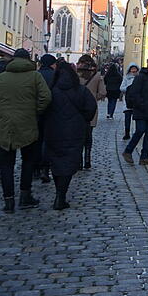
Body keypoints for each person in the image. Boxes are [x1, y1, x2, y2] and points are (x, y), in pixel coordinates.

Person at [0, 48, 51, 212]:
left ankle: (8, 201)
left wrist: (0, 114)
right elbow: (46, 97)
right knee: (28, 162)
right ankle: (25, 196)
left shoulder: (1, 78)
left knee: (6, 164)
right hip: (28, 125)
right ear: (29, 60)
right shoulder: (35, 76)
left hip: (6, 126)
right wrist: (35, 112)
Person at [45, 63, 97, 210]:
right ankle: (61, 195)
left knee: (56, 163)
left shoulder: (51, 90)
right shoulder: (81, 90)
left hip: (53, 131)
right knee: (68, 163)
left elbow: (42, 108)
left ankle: (59, 194)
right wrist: (82, 120)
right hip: (74, 131)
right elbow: (91, 108)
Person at [122, 59, 148, 166]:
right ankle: (128, 151)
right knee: (140, 130)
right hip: (141, 110)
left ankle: (144, 157)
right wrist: (142, 105)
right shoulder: (141, 78)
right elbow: (135, 93)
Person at [76, 55, 106, 169]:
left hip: (77, 107)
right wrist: (94, 98)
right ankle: (87, 159)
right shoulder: (97, 76)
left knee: (78, 135)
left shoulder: (75, 75)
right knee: (88, 135)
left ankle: (78, 161)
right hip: (91, 109)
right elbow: (103, 92)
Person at [35, 54, 58, 184]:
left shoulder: (35, 75)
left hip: (35, 113)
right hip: (51, 112)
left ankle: (35, 168)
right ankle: (45, 168)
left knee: (36, 140)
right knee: (47, 141)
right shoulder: (55, 76)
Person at [120, 63, 139, 140]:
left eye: (135, 69)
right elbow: (121, 88)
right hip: (128, 101)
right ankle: (127, 133)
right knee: (127, 119)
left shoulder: (139, 78)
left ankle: (137, 133)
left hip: (137, 101)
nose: (133, 70)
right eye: (132, 69)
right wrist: (129, 89)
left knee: (137, 119)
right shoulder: (126, 78)